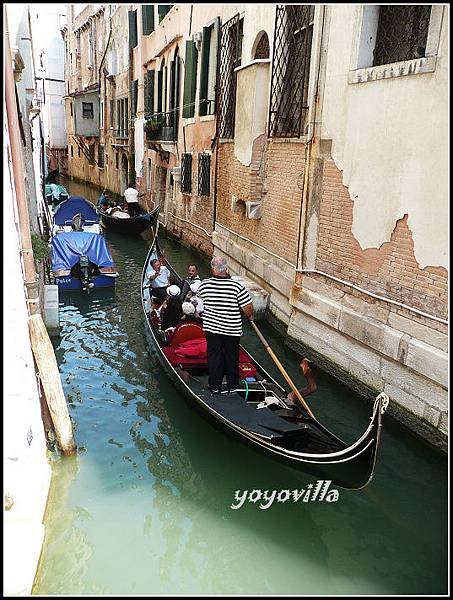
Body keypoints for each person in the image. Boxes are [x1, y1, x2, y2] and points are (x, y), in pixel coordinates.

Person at [197, 255, 254, 393]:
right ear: (226, 269)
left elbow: (199, 305)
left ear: (212, 269)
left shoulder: (204, 285)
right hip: (232, 329)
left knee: (214, 357)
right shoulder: (237, 286)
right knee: (232, 357)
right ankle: (232, 386)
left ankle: (215, 387)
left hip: (212, 329)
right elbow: (248, 308)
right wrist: (248, 315)